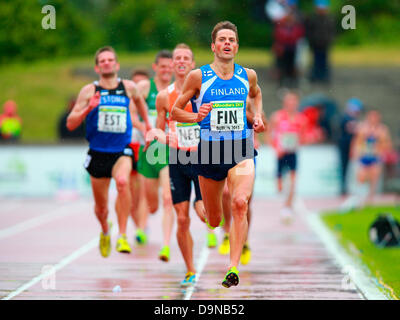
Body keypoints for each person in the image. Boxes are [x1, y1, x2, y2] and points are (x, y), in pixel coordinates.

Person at [171, 21, 265, 288]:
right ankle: (214, 222)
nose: (227, 43)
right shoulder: (198, 77)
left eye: (231, 40)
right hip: (209, 152)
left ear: (236, 46)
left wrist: (256, 115)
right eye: (222, 39)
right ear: (213, 46)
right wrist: (195, 115)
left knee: (239, 203)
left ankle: (232, 267)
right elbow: (175, 112)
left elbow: (257, 96)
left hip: (240, 148)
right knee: (214, 220)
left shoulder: (248, 76)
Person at [66, 46, 151, 257]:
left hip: (122, 149)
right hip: (98, 152)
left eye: (110, 59)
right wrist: (89, 107)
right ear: (97, 67)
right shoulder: (89, 91)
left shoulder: (129, 87)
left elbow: (140, 102)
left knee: (123, 182)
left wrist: (147, 125)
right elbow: (70, 123)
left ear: (117, 65)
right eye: (102, 60)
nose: (106, 63)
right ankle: (106, 229)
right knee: (101, 209)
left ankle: (122, 235)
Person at [147, 43, 208, 286]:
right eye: (177, 58)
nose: (181, 61)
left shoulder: (203, 92)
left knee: (206, 215)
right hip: (177, 159)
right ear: (172, 64)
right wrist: (158, 137)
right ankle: (190, 269)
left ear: (192, 64)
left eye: (186, 58)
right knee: (182, 218)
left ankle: (219, 221)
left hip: (202, 158)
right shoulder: (164, 97)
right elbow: (157, 130)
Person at [136, 50, 174, 261]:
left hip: (168, 149)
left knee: (168, 198)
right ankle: (146, 221)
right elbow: (132, 111)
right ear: (155, 67)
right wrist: (143, 126)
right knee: (151, 204)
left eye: (170, 67)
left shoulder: (178, 89)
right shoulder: (145, 88)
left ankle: (165, 245)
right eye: (163, 67)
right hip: (149, 151)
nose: (167, 70)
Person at [269, 91, 306, 223]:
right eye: (289, 101)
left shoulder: (301, 119)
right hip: (280, 153)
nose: (291, 104)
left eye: (294, 101)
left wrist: (299, 142)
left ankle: (287, 207)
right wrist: (276, 147)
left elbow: (303, 136)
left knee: (292, 181)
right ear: (285, 103)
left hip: (292, 153)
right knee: (279, 186)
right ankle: (285, 201)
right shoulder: (277, 117)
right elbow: (269, 133)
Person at [352, 110, 392, 205]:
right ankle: (360, 196)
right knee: (361, 177)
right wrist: (357, 152)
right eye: (372, 117)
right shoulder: (362, 128)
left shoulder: (382, 129)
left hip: (375, 156)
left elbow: (387, 144)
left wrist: (380, 147)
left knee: (374, 177)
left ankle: (370, 198)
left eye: (375, 117)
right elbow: (357, 142)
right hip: (364, 155)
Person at [304, 0, 335, 84]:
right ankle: (316, 76)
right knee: (315, 61)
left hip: (325, 44)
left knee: (324, 61)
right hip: (315, 44)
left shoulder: (329, 19)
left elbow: (331, 31)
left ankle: (324, 77)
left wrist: (330, 40)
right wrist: (311, 41)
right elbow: (308, 31)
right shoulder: (312, 18)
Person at [337, 98, 363, 195]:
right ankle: (343, 187)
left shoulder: (354, 119)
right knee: (344, 166)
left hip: (352, 146)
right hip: (344, 146)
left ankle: (350, 187)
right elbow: (351, 130)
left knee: (352, 168)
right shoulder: (345, 118)